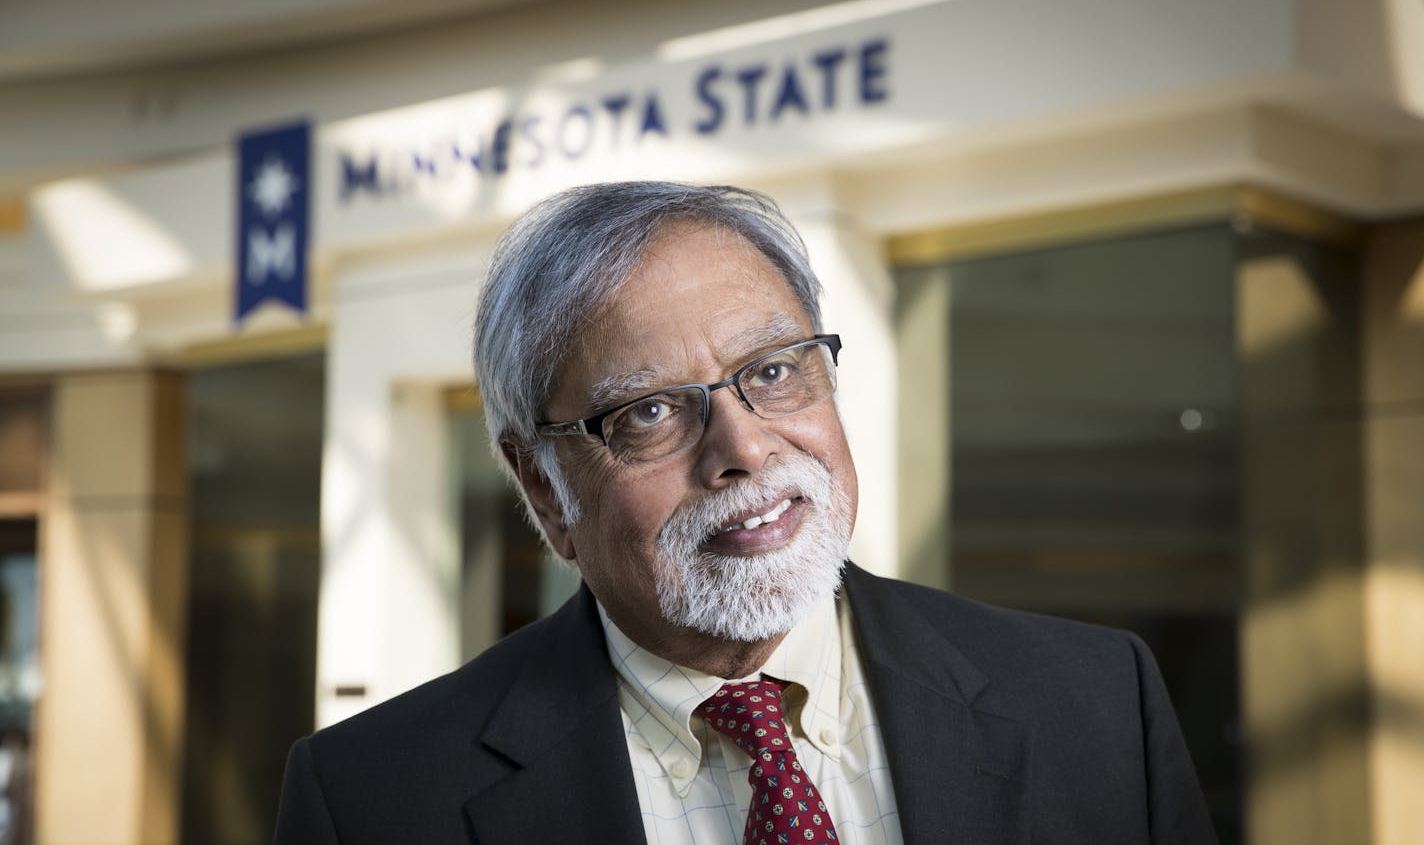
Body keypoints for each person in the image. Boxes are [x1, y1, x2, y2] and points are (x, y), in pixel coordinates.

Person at [274, 181, 1218, 845]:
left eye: (773, 371)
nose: (744, 448)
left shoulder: (1094, 705)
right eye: (648, 410)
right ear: (542, 489)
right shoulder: (374, 802)